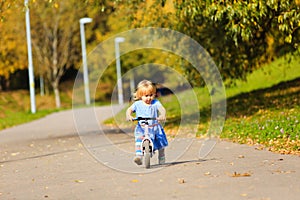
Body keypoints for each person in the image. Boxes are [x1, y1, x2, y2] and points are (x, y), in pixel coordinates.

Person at [126, 80, 168, 165]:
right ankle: (139, 157)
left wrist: (162, 115)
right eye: (146, 96)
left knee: (160, 143)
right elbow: (129, 110)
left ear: (154, 94)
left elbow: (162, 109)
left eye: (151, 95)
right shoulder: (137, 104)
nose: (149, 98)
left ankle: (161, 156)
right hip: (142, 128)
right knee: (139, 140)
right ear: (140, 95)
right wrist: (129, 115)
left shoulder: (155, 103)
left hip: (154, 127)